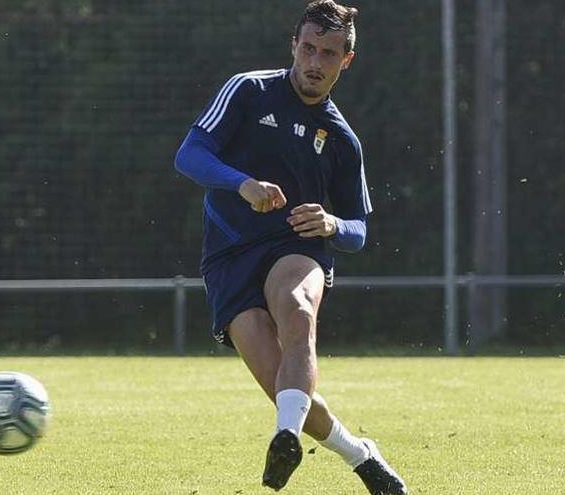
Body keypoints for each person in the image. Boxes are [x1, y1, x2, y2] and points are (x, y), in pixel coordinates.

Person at [174, 2, 407, 494]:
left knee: (297, 308)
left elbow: (359, 232)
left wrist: (330, 223)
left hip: (297, 248)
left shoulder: (343, 139)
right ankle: (361, 455)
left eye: (328, 53)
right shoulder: (249, 90)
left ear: (346, 60)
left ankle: (284, 438)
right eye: (307, 48)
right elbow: (189, 154)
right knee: (282, 384)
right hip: (230, 258)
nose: (314, 62)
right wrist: (242, 184)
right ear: (293, 47)